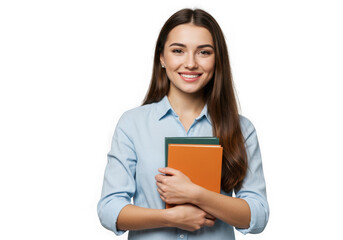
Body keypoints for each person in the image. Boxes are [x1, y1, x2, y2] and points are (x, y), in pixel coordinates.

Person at [97, 8, 269, 240]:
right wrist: (171, 218)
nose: (190, 63)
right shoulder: (132, 124)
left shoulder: (242, 129)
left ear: (217, 60)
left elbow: (257, 214)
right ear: (162, 58)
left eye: (204, 52)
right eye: (178, 50)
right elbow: (109, 209)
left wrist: (197, 194)